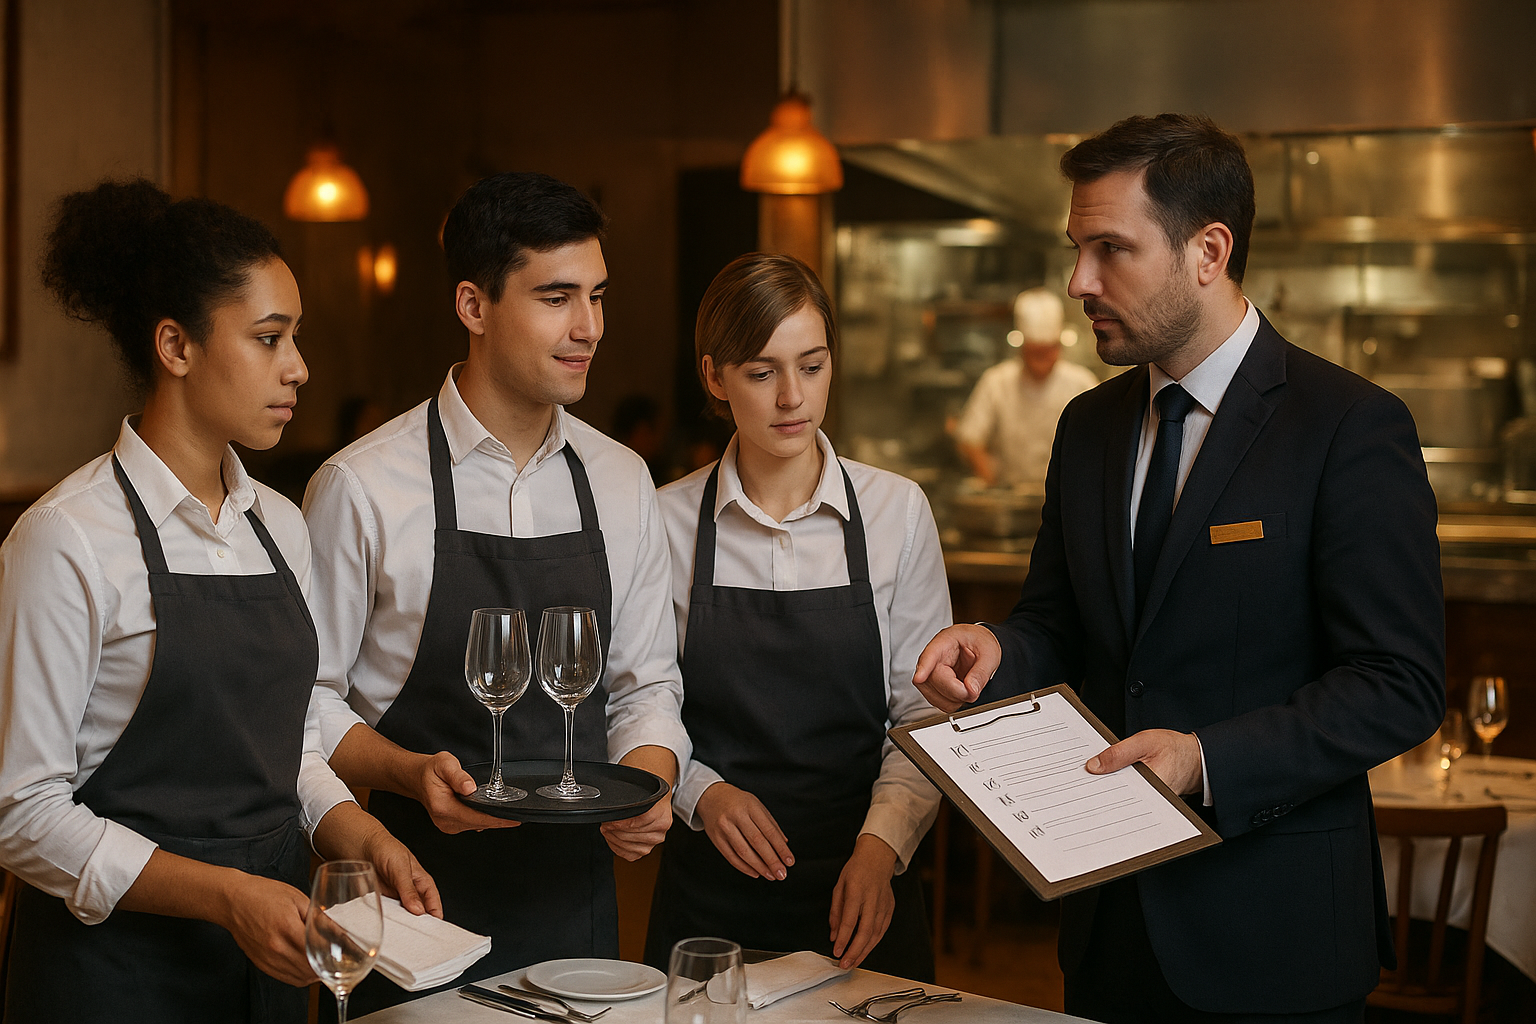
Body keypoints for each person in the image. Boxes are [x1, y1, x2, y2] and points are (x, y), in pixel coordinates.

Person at [912, 115, 1444, 1023]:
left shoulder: (1348, 425)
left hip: (1273, 937)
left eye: (1110, 249)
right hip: (1109, 925)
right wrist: (997, 650)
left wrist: (1206, 760)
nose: (1080, 282)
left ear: (1209, 250)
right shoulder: (1088, 426)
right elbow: (1055, 623)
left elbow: (1399, 684)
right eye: (1078, 249)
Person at [0, 180, 440, 1024]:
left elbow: (291, 743)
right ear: (175, 345)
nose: (299, 367)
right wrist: (225, 896)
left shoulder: (278, 522)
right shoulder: (67, 538)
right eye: (269, 338)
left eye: (296, 338)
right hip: (113, 981)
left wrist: (365, 837)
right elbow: (24, 813)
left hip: (270, 965)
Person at [303, 171, 690, 1014]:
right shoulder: (362, 485)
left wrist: (650, 782)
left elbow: (646, 685)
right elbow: (303, 706)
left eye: (597, 296)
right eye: (556, 298)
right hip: (409, 900)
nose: (589, 328)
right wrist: (408, 774)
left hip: (574, 912)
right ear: (473, 306)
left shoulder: (621, 480)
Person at [643, 254, 947, 978]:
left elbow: (923, 719)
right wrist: (700, 793)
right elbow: (639, 700)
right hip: (710, 900)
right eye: (761, 372)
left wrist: (881, 849)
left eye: (811, 366)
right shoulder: (662, 520)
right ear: (715, 377)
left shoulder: (896, 512)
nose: (791, 398)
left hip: (864, 890)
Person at [954, 288, 1097, 488]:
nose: (1042, 361)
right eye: (1035, 353)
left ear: (1059, 347)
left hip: (1067, 494)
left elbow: (1099, 444)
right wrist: (992, 482)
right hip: (1010, 494)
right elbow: (970, 440)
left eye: (1048, 352)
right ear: (1022, 347)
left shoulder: (1082, 382)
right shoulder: (996, 381)